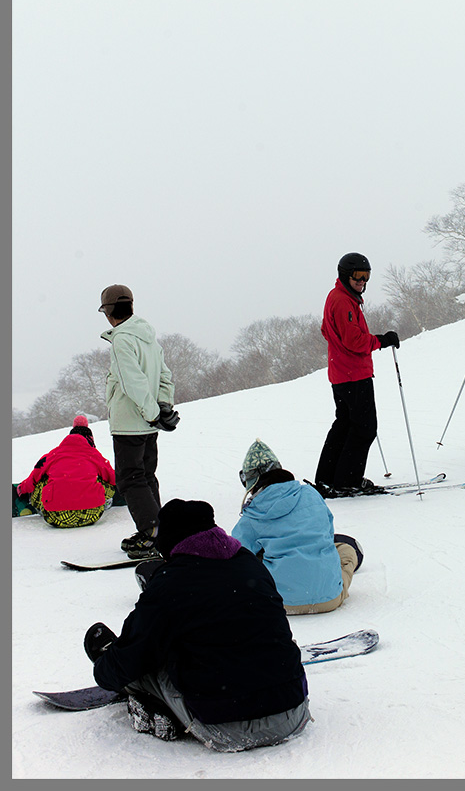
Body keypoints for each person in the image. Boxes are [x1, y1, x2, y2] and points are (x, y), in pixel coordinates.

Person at [84, 498, 310, 751]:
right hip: (293, 711)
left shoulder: (171, 585)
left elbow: (134, 655)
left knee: (144, 663)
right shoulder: (250, 564)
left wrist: (104, 671)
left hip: (226, 727)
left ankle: (159, 705)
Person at [231, 439, 364, 614]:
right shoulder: (310, 494)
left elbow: (236, 553)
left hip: (280, 602)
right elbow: (327, 530)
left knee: (253, 561)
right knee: (346, 550)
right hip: (330, 598)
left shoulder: (253, 514)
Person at [99, 285, 180, 558]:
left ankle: (151, 532)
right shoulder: (148, 337)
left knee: (130, 479)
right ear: (131, 306)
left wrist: (153, 413)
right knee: (146, 475)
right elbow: (164, 376)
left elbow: (131, 381)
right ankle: (159, 530)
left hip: (130, 421)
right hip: (148, 422)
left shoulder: (122, 339)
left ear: (109, 313)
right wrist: (163, 406)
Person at [314, 254, 400, 497]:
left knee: (344, 425)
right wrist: (381, 341)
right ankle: (346, 480)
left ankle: (329, 477)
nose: (363, 282)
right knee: (364, 428)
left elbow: (326, 329)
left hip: (342, 374)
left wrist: (340, 349)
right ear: (345, 275)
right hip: (353, 375)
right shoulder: (343, 301)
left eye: (367, 277)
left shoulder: (338, 297)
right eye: (358, 277)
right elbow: (353, 340)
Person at [14, 415, 116, 527]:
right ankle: (104, 502)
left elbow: (33, 478)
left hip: (55, 516)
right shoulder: (94, 455)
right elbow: (113, 478)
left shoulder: (52, 455)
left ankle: (33, 504)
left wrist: (21, 489)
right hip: (92, 514)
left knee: (43, 479)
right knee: (102, 479)